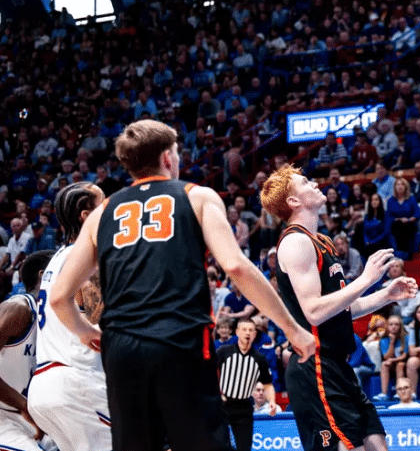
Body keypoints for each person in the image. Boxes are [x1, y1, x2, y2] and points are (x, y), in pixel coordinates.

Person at [50, 120, 317, 451]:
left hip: (122, 351)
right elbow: (235, 266)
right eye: (176, 153)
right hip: (180, 342)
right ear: (167, 158)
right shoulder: (197, 196)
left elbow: (59, 297)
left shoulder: (101, 213)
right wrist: (292, 329)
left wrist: (87, 332)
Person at [258, 163, 418, 451]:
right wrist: (367, 278)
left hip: (338, 367)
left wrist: (385, 295)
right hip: (315, 366)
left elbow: (342, 308)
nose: (315, 184)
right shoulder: (295, 242)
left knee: (379, 446)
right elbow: (314, 311)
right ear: (293, 201)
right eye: (305, 182)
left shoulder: (322, 243)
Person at [28, 182, 110, 451]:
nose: (110, 208)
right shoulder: (87, 258)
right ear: (86, 216)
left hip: (45, 384)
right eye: (103, 203)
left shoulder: (57, 258)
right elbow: (101, 321)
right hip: (77, 383)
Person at [0, 251, 53, 451]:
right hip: (4, 416)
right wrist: (23, 404)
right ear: (43, 275)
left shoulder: (56, 317)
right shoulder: (18, 309)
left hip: (32, 418)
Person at [218, 318, 277, 451]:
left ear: (255, 334)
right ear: (237, 332)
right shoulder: (223, 352)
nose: (247, 333)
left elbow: (267, 384)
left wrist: (272, 401)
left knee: (244, 447)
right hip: (222, 406)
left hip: (244, 408)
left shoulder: (259, 358)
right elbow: (210, 374)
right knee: (219, 444)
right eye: (244, 329)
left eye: (251, 330)